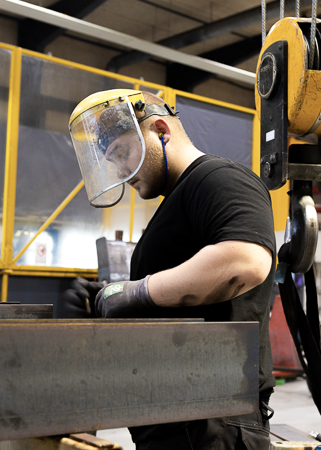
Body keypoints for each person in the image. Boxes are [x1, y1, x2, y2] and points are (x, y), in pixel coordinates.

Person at [64, 89, 276, 450]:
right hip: (180, 418)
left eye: (122, 153)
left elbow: (246, 261)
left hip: (213, 421)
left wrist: (137, 292)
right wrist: (106, 296)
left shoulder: (217, 178)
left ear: (161, 130)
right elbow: (175, 292)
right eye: (111, 160)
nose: (120, 171)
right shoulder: (177, 200)